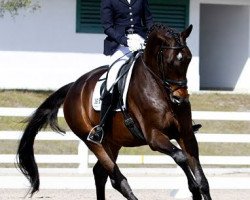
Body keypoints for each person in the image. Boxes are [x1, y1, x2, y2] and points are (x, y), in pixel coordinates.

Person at [87, 0, 154, 144]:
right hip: (120, 45)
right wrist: (124, 40)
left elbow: (148, 19)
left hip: (141, 41)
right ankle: (101, 128)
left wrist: (149, 38)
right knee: (111, 79)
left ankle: (181, 121)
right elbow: (107, 27)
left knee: (161, 69)